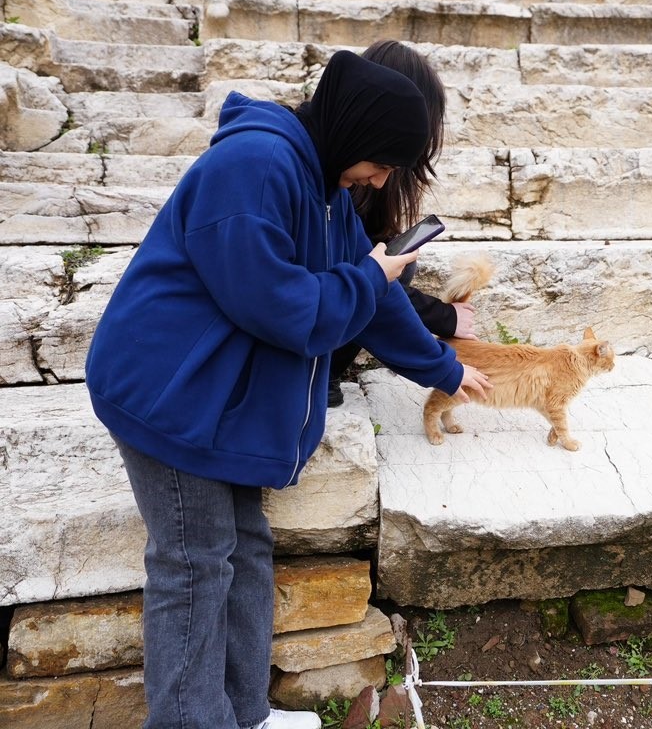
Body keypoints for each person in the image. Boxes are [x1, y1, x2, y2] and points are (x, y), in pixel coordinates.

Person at [84, 51, 491, 729]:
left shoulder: (323, 186)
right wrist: (371, 276)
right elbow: (283, 307)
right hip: (169, 398)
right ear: (354, 131)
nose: (381, 179)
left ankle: (246, 715)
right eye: (382, 162)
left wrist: (443, 368)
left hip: (221, 406)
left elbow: (373, 297)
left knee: (244, 553)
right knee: (194, 568)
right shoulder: (254, 168)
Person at [327, 41, 478, 406]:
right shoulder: (346, 181)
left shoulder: (374, 176)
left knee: (399, 260)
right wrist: (443, 321)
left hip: (333, 299)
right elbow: (358, 275)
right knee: (394, 266)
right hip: (319, 309)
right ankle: (324, 371)